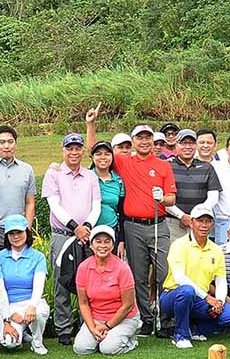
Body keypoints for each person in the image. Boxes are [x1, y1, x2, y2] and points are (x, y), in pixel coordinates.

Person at [85, 114, 176, 336]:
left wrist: (162, 198)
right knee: (138, 275)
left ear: (153, 141)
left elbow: (172, 198)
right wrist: (90, 124)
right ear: (133, 142)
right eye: (139, 138)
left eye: (148, 138)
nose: (144, 142)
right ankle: (146, 319)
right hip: (133, 227)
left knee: (164, 273)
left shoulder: (163, 166)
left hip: (158, 224)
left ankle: (164, 319)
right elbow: (95, 151)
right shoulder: (125, 161)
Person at [42, 132, 103, 342]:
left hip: (86, 235)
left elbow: (96, 205)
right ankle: (64, 329)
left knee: (88, 282)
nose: (74, 152)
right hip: (63, 234)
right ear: (63, 150)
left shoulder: (91, 176)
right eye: (70, 148)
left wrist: (85, 227)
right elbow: (54, 204)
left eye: (78, 148)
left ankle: (87, 325)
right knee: (62, 282)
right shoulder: (54, 174)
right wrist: (74, 226)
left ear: (83, 150)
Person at [161, 204, 230, 348]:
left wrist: (219, 301)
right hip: (173, 295)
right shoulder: (179, 245)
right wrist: (208, 298)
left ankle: (195, 329)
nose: (204, 225)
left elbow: (220, 280)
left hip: (201, 300)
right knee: (187, 290)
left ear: (212, 224)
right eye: (200, 221)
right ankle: (181, 335)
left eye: (208, 221)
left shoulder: (215, 250)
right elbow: (180, 278)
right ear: (192, 222)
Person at [73, 225, 140, 356]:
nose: (102, 245)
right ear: (91, 245)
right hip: (96, 318)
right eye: (98, 241)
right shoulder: (83, 267)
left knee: (108, 349)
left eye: (107, 241)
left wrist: (107, 326)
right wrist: (92, 328)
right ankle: (104, 337)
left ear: (113, 245)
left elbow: (128, 305)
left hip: (124, 318)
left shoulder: (122, 268)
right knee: (81, 349)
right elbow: (83, 303)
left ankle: (131, 341)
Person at [0, 214, 50, 354]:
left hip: (31, 301)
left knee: (40, 312)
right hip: (9, 305)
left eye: (19, 232)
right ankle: (22, 335)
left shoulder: (38, 257)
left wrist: (32, 306)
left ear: (26, 233)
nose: (16, 236)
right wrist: (9, 313)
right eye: (11, 233)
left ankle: (37, 341)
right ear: (7, 236)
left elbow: (38, 285)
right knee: (9, 343)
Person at [168, 129, 224, 234]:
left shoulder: (207, 167)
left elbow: (213, 196)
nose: (188, 147)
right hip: (173, 222)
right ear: (176, 145)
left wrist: (197, 215)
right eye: (183, 143)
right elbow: (163, 198)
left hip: (200, 222)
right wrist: (181, 216)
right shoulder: (167, 166)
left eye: (191, 143)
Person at [89, 140, 125, 240]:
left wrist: (122, 240)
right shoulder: (85, 177)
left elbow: (122, 212)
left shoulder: (118, 181)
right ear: (92, 157)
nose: (103, 157)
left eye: (107, 154)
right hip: (88, 233)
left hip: (111, 232)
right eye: (98, 154)